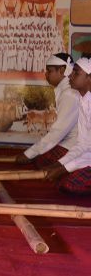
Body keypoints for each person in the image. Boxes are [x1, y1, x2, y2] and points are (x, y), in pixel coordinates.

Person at [15, 54, 79, 167]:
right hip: (67, 143)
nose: (46, 74)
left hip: (72, 147)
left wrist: (29, 154)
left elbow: (58, 132)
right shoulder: (65, 91)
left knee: (39, 161)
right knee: (38, 157)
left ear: (62, 70)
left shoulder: (69, 94)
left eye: (49, 71)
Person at [43, 56, 91, 195]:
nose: (70, 75)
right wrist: (59, 164)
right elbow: (83, 144)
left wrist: (64, 168)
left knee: (69, 184)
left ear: (89, 78)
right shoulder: (83, 101)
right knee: (61, 179)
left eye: (76, 72)